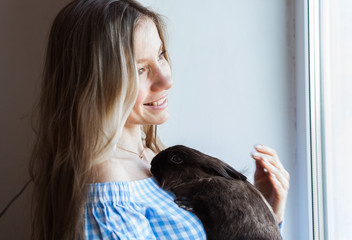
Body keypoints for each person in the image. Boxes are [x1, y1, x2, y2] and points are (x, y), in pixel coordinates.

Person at [29, 0, 290, 239]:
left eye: (161, 55)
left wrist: (262, 214)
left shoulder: (154, 155)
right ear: (92, 85)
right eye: (140, 69)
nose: (167, 79)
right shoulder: (108, 185)